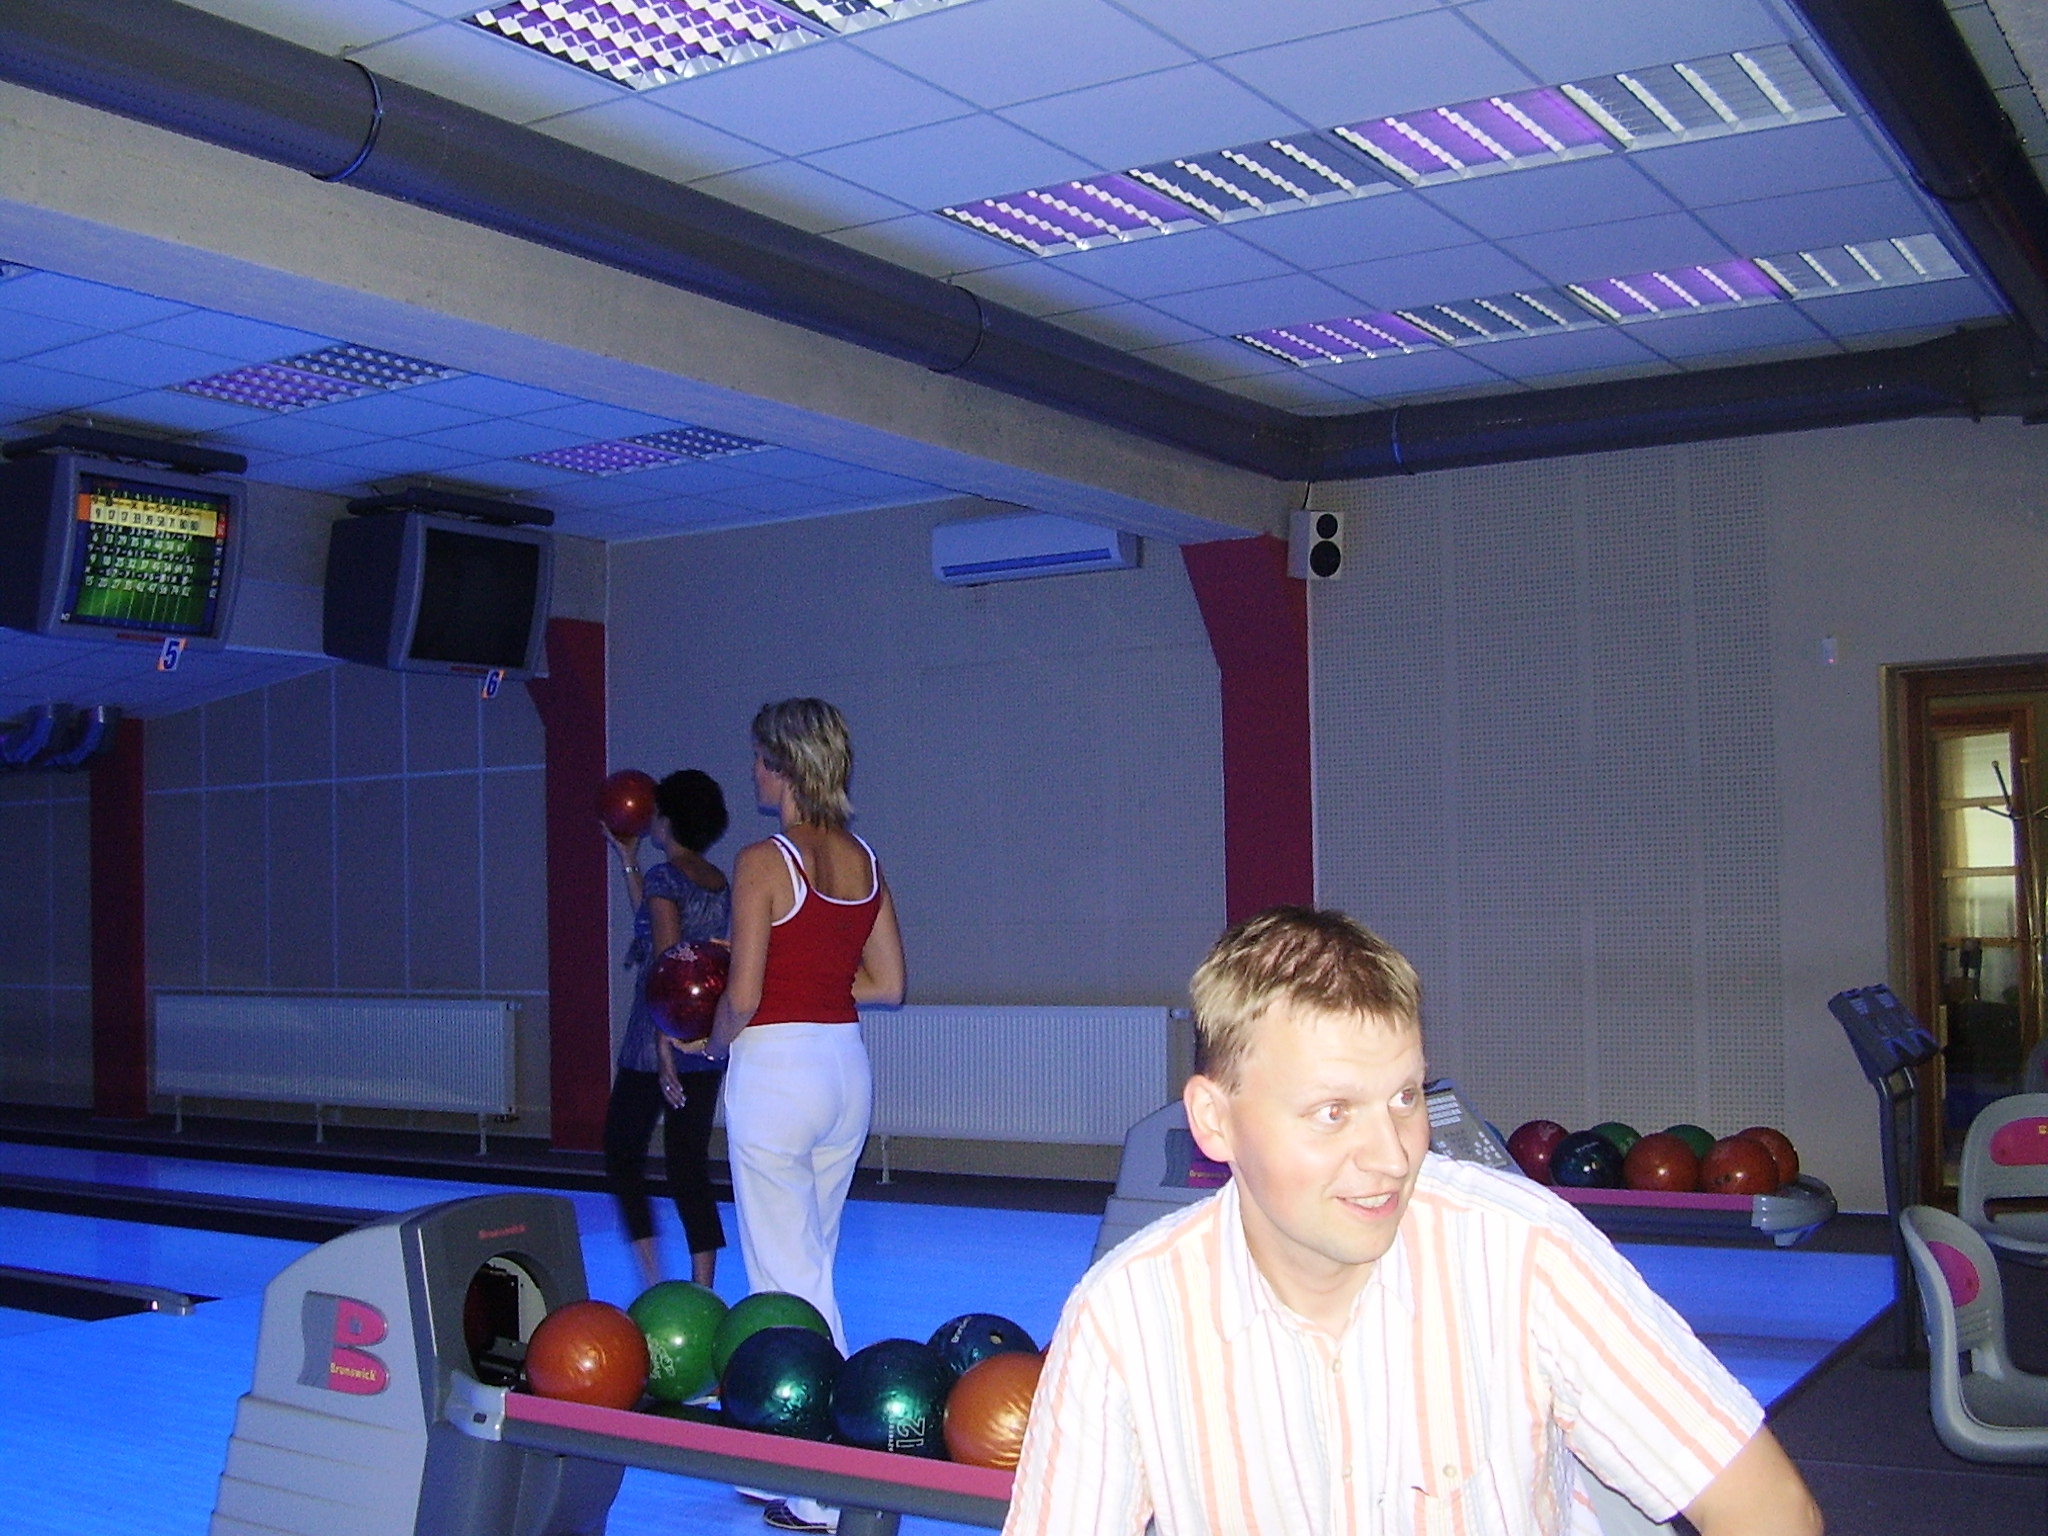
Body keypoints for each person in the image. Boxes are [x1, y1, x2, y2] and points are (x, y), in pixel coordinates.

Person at [1004, 906, 1824, 1536]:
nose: (1393, 1156)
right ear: (1215, 1122)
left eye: (1405, 1097)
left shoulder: (1523, 1256)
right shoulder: (1125, 1317)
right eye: (1333, 1112)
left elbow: (1769, 1509)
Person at [685, 699, 903, 1536]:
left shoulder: (761, 860)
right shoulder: (864, 859)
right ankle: (783, 1447)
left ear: (782, 765)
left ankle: (825, 1483)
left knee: (788, 1277)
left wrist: (708, 1044)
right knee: (809, 1260)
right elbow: (888, 985)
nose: (752, 771)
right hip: (844, 1069)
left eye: (758, 758)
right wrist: (809, 980)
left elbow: (741, 996)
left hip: (777, 1073)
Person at [601, 768, 732, 1292]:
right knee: (687, 1165)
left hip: (654, 1039)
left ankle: (652, 1280)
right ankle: (703, 1289)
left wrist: (662, 1051)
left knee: (621, 1150)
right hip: (704, 1034)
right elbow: (655, 924)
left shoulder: (665, 878)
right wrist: (627, 859)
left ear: (669, 819)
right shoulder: (715, 880)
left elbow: (666, 965)